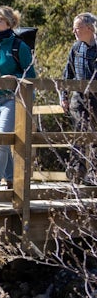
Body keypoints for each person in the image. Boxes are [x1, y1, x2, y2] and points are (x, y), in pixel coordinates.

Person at [0, 6, 36, 190]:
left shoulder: (20, 46)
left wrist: (15, 79)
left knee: (0, 139)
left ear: (9, 23)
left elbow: (31, 76)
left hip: (12, 99)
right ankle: (10, 178)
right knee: (2, 141)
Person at [59, 12, 97, 185]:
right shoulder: (76, 48)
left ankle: (94, 174)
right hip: (79, 98)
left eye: (77, 27)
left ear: (89, 28)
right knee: (80, 132)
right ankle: (77, 170)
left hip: (96, 99)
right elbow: (68, 74)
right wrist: (63, 96)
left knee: (95, 136)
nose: (74, 31)